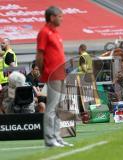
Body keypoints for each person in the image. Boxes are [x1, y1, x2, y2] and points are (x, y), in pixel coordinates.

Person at [35, 6, 73, 147]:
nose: (62, 19)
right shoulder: (44, 32)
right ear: (52, 17)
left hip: (61, 74)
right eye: (60, 16)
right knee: (51, 108)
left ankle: (57, 137)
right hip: (52, 75)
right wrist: (45, 72)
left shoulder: (56, 32)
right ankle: (49, 139)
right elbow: (39, 56)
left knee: (59, 107)